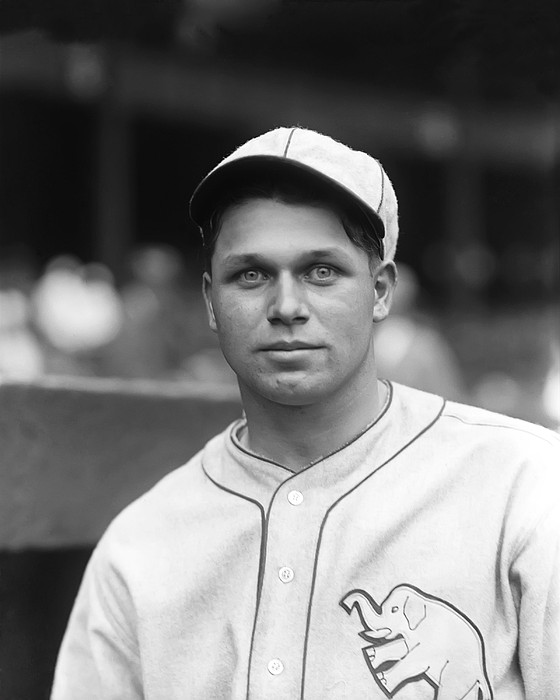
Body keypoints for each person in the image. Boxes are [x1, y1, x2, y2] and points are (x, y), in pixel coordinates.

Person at [51, 127, 559, 699]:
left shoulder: (526, 487)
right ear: (210, 302)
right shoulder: (141, 546)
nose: (286, 307)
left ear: (381, 291)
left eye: (321, 271)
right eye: (251, 274)